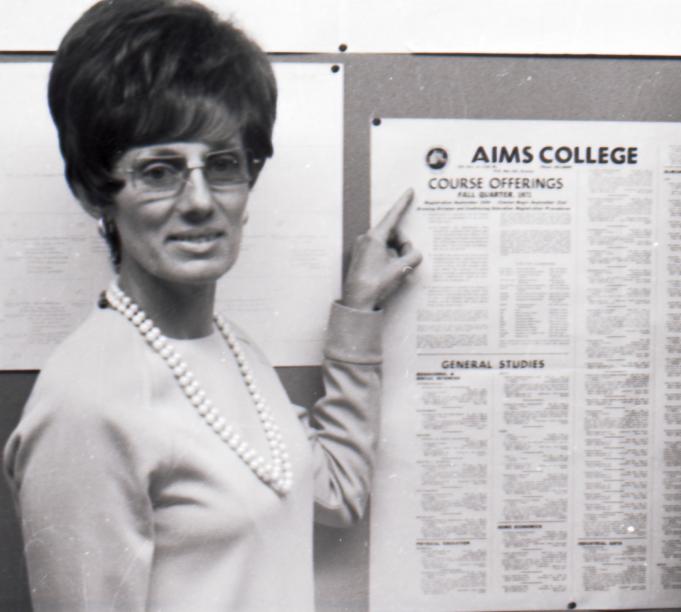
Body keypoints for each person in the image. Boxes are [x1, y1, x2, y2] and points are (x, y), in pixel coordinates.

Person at [2, 0, 422, 609]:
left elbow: (333, 492)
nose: (198, 201)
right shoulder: (85, 405)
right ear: (97, 192)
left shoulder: (230, 348)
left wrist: (358, 309)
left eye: (222, 165)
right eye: (159, 170)